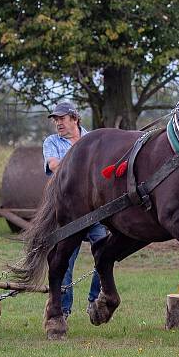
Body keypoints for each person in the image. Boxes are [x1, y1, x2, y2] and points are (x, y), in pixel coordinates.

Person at [42, 101, 108, 318]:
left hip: (95, 211)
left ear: (75, 119)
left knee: (105, 254)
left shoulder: (94, 140)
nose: (58, 123)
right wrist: (81, 164)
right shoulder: (52, 142)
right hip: (68, 212)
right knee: (65, 262)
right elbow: (53, 166)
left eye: (62, 118)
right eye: (56, 120)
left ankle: (94, 299)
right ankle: (64, 309)